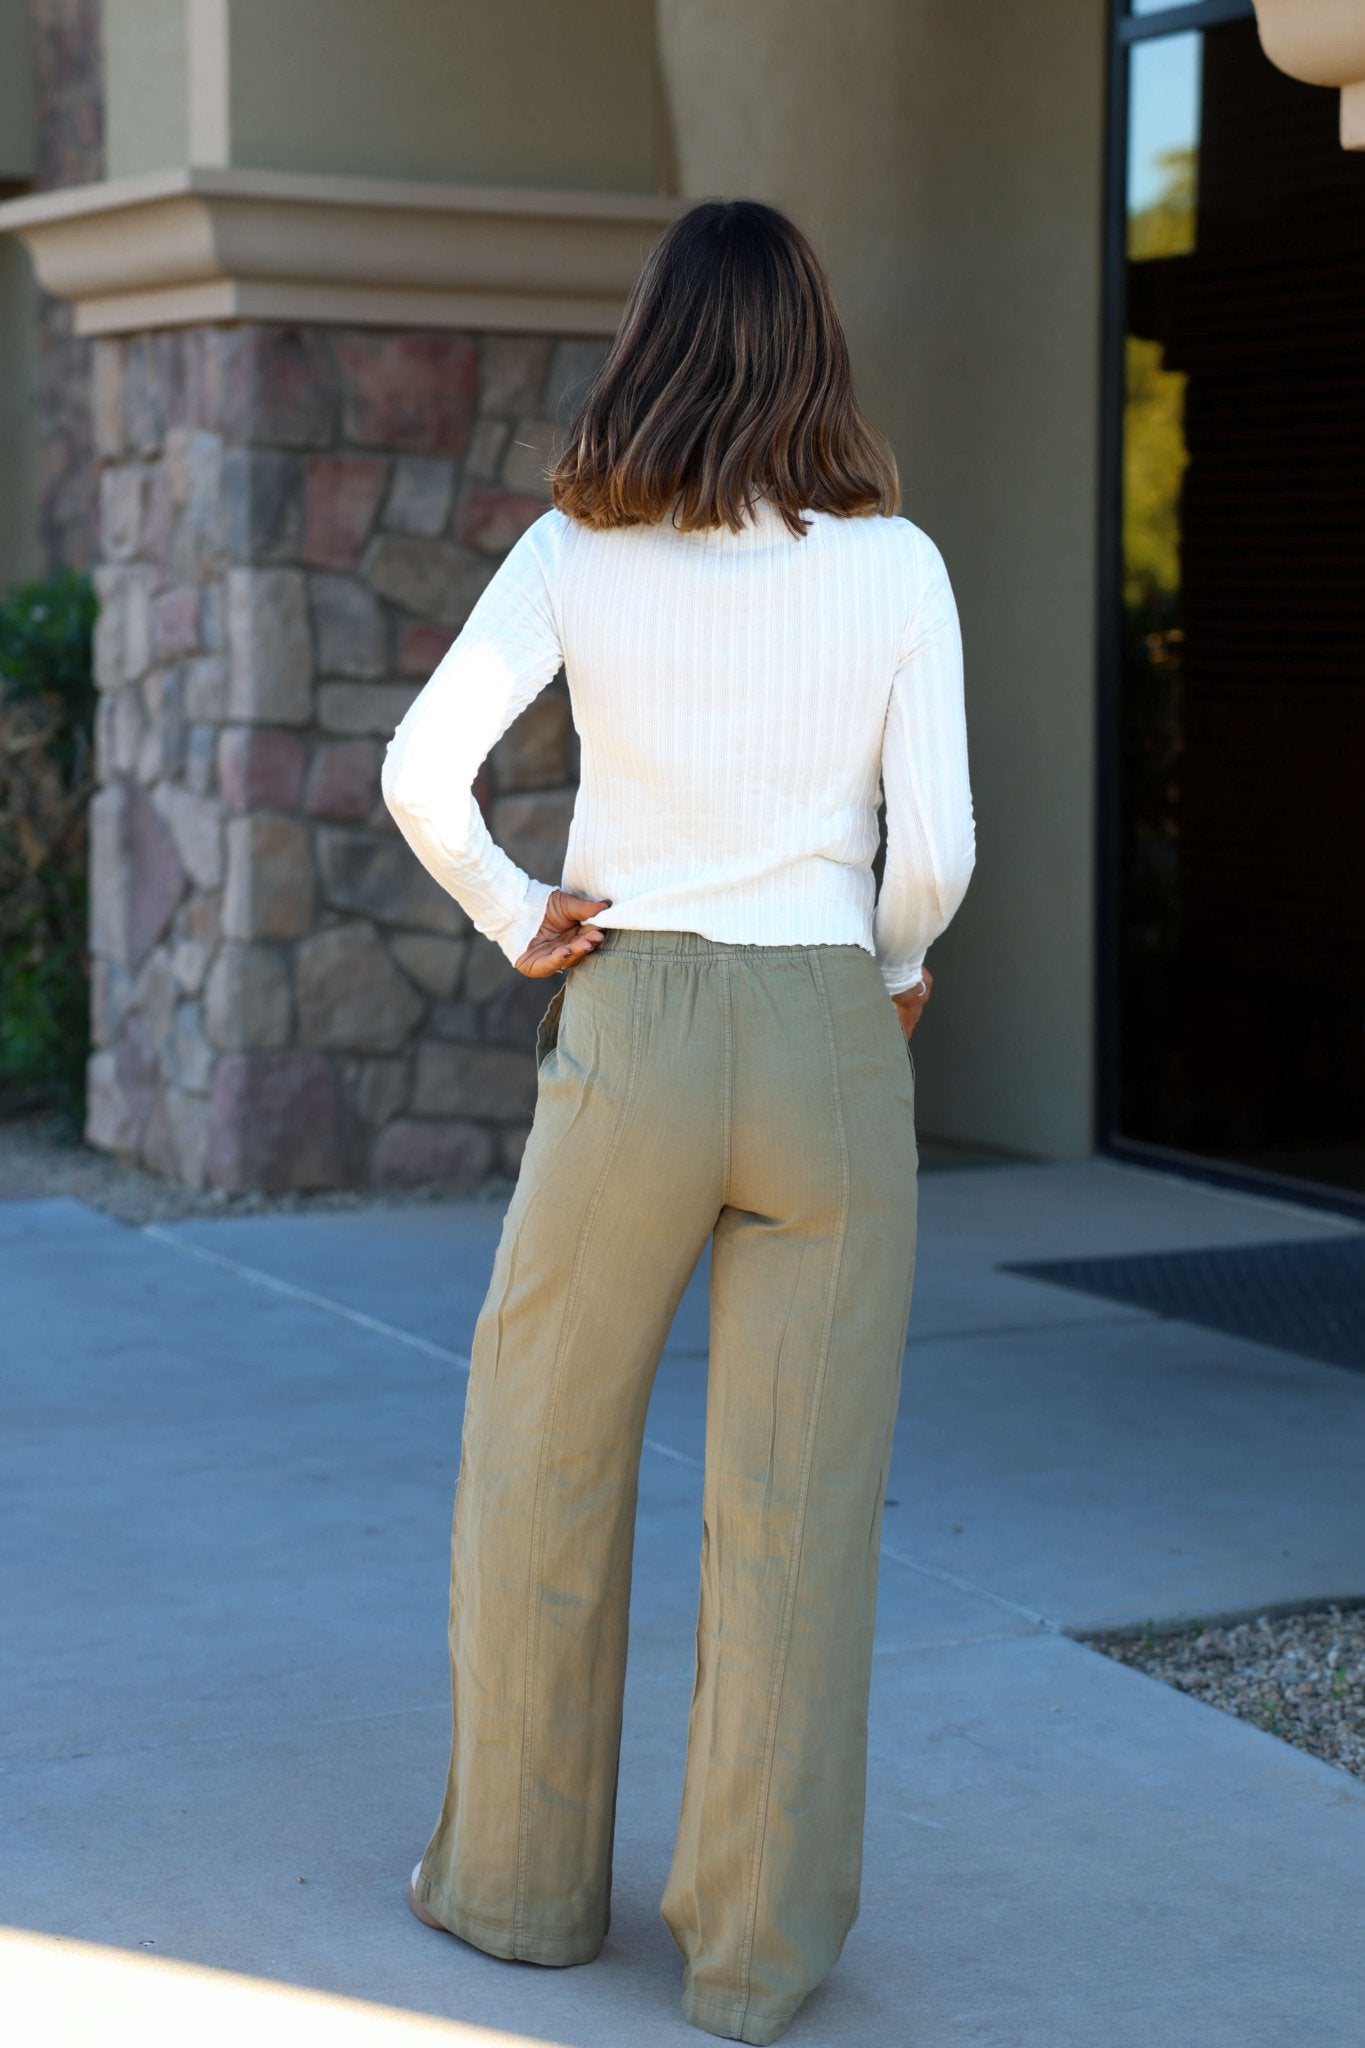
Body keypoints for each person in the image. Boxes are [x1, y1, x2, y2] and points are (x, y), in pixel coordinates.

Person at [381, 196, 976, 2047]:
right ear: (814, 348)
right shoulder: (896, 567)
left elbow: (421, 770)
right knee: (794, 1512)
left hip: (627, 1024)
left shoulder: (573, 553)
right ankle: (751, 1955)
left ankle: (513, 1894)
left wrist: (513, 912)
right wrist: (886, 965)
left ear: (650, 341)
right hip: (823, 1039)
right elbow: (938, 848)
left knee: (539, 1454)